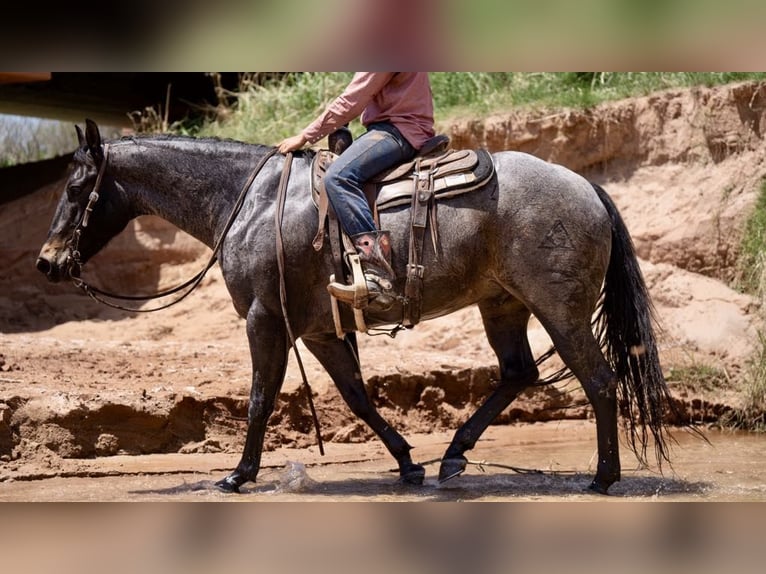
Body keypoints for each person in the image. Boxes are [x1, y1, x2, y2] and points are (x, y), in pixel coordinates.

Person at [277, 72, 435, 310]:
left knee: (338, 178)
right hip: (401, 126)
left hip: (399, 130)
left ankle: (377, 269)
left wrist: (306, 135)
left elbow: (354, 97)